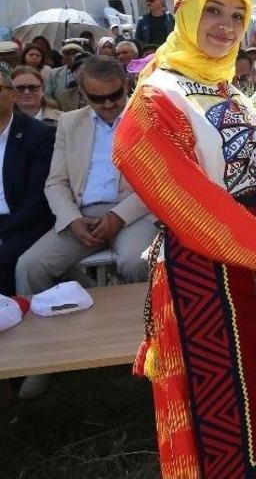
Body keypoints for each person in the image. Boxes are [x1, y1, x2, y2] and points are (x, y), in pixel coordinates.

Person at [112, 0, 256, 479]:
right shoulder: (156, 98)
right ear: (183, 14)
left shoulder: (215, 82)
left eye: (237, 15)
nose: (226, 26)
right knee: (222, 399)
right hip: (203, 273)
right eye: (213, 11)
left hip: (252, 262)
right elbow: (190, 205)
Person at [14, 56, 157, 399]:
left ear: (127, 87)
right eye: (98, 98)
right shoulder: (69, 124)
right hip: (81, 214)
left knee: (136, 261)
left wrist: (117, 217)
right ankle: (43, 359)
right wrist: (72, 220)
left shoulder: (148, 119)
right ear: (82, 94)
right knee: (30, 266)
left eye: (115, 96)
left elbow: (155, 182)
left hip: (133, 212)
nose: (108, 104)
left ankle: (149, 347)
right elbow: (56, 183)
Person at [0, 62, 56, 297]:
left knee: (3, 259)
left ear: (10, 94)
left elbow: (38, 198)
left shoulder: (38, 134)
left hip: (23, 222)